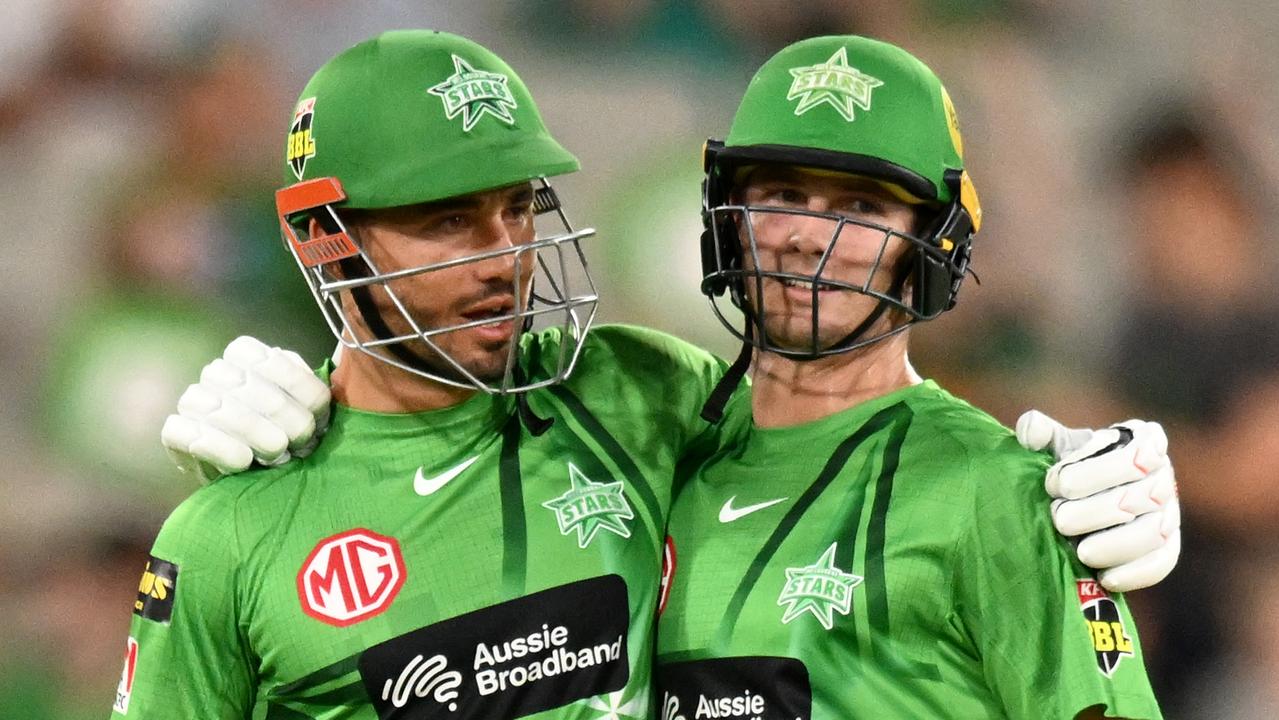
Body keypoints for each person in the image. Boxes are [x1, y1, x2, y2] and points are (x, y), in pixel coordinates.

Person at [142, 31, 1177, 720]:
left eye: (517, 208)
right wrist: (274, 397)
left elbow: (871, 436)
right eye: (444, 218)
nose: (501, 256)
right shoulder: (228, 535)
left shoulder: (635, 395)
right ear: (322, 238)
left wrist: (1104, 479)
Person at [652, 36, 1164, 718]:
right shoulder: (665, 465)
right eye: (783, 193)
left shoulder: (994, 490)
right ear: (728, 219)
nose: (810, 236)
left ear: (931, 247)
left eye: (860, 208)